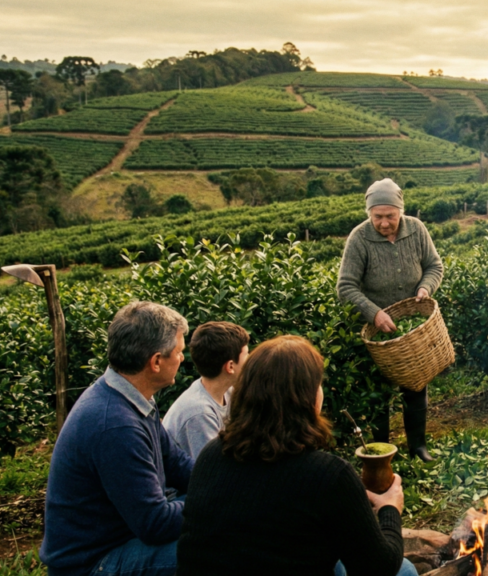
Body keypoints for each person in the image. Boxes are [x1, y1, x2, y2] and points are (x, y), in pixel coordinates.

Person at [176, 335, 418, 576]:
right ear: (307, 398)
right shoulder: (328, 476)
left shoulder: (210, 455)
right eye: (319, 384)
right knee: (404, 571)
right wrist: (390, 508)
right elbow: (379, 568)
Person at [40, 301, 193, 576]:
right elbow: (154, 523)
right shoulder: (115, 425)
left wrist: (223, 483)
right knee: (218, 551)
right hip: (92, 562)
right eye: (179, 352)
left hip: (120, 538)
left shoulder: (132, 395)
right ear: (156, 362)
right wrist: (216, 504)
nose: (182, 358)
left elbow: (175, 463)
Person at [336, 178, 443, 461]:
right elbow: (345, 286)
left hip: (411, 329)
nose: (384, 223)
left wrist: (425, 287)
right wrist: (374, 313)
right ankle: (382, 449)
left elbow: (434, 265)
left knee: (415, 386)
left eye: (390, 216)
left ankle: (417, 446)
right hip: (376, 332)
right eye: (378, 217)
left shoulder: (417, 230)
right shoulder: (359, 239)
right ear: (369, 213)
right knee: (378, 394)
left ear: (400, 212)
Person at [163, 321, 250, 459]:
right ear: (230, 366)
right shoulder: (199, 413)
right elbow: (212, 469)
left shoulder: (227, 392)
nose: (250, 360)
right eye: (246, 355)